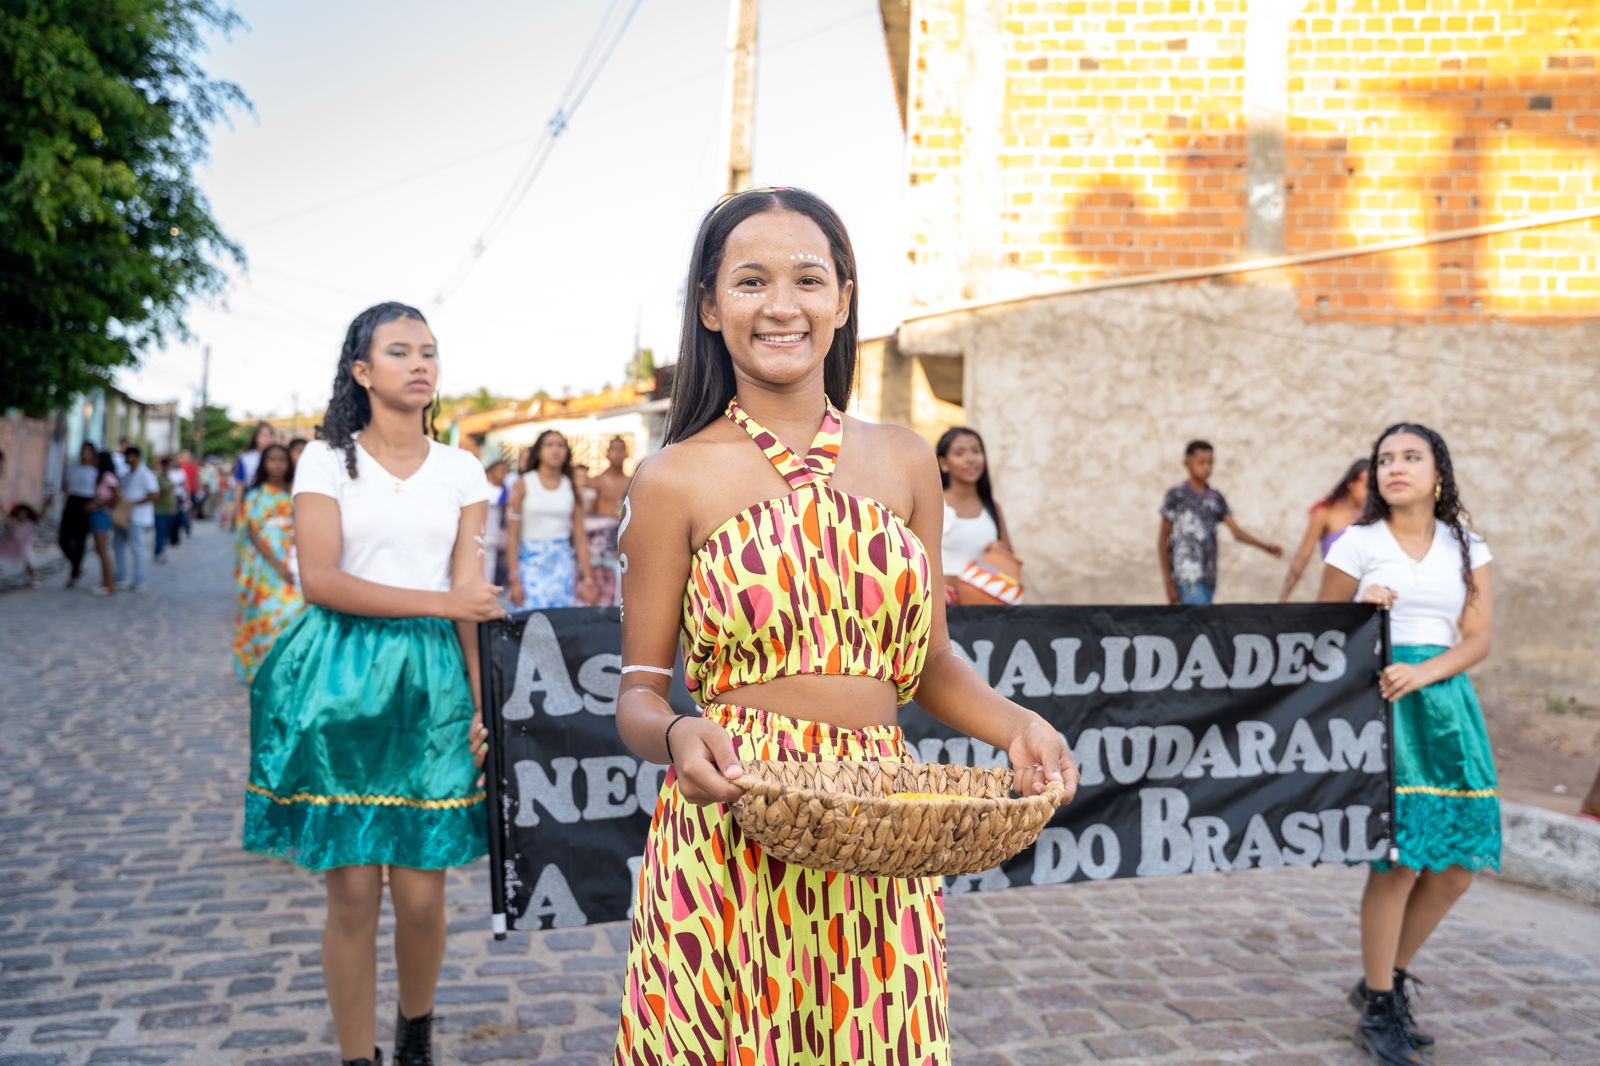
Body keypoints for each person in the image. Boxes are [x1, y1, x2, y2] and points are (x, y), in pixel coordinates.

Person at [609, 186, 1078, 1065]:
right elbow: (637, 695)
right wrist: (676, 734)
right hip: (736, 825)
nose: (781, 305)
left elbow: (933, 663)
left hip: (882, 827)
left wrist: (1019, 724)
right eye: (750, 282)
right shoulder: (671, 477)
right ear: (711, 307)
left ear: (843, 301)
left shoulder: (905, 456)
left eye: (808, 280)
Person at [243, 302, 503, 1066]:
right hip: (341, 681)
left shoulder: (463, 470)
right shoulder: (327, 460)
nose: (420, 363)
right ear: (363, 371)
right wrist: (444, 602)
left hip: (432, 687)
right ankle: (359, 1058)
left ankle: (415, 1032)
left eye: (429, 351)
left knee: (422, 894)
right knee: (353, 893)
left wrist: (486, 707)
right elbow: (321, 580)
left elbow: (471, 596)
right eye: (399, 352)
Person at [1318, 423, 1497, 1066]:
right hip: (1380, 704)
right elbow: (1320, 633)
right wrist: (1363, 609)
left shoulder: (1466, 545)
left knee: (1453, 868)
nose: (1395, 467)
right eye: (1385, 458)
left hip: (1446, 705)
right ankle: (1377, 1000)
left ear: (1438, 474)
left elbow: (1477, 638)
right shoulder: (1356, 542)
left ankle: (1385, 983)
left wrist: (1425, 670)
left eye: (1411, 457)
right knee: (1398, 859)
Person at [1158, 439, 1282, 604]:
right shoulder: (1176, 497)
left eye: (1210, 463)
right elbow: (1163, 539)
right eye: (1200, 462)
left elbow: (1236, 532)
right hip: (1186, 577)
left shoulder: (1215, 499)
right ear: (1186, 463)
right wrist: (1168, 583)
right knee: (1197, 624)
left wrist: (1265, 546)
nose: (1206, 467)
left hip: (1209, 577)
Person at [234, 443, 304, 683]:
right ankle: (266, 668)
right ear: (263, 463)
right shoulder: (255, 496)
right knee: (269, 615)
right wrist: (276, 564)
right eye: (271, 460)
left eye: (282, 460)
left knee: (295, 611)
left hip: (295, 557)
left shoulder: (297, 491)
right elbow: (252, 534)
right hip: (265, 565)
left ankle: (291, 668)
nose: (277, 465)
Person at [506, 430, 594, 608]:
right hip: (530, 563)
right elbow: (512, 536)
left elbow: (579, 536)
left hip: (561, 565)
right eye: (549, 444)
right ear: (538, 451)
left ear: (567, 452)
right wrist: (514, 580)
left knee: (559, 625)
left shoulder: (571, 486)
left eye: (560, 445)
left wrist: (588, 579)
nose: (555, 450)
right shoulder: (524, 483)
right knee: (531, 623)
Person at [937, 425, 1016, 605]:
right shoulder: (935, 504)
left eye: (976, 451)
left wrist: (998, 553)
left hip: (984, 611)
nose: (971, 459)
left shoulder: (993, 508)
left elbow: (1011, 562)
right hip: (943, 608)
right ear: (943, 463)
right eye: (960, 453)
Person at [1280, 459, 1369, 601]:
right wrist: (1284, 596)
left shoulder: (1375, 517)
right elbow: (1302, 556)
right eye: (1366, 485)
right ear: (1351, 483)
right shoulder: (1325, 513)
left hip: (1370, 596)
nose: (1370, 492)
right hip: (1338, 595)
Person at [583, 436, 631, 607]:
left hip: (622, 541)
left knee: (619, 592)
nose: (617, 454)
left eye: (621, 449)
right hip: (600, 545)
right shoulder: (596, 481)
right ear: (607, 453)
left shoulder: (631, 481)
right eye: (614, 450)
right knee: (599, 591)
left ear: (626, 453)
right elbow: (589, 513)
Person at [114, 446, 161, 591]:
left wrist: (135, 503)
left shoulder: (146, 474)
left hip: (138, 516)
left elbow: (154, 494)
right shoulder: (127, 474)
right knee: (119, 546)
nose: (127, 460)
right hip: (125, 515)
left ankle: (139, 580)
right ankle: (121, 577)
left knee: (137, 548)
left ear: (135, 457)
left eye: (129, 457)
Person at [60, 442, 101, 588]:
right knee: (63, 539)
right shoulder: (74, 466)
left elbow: (101, 490)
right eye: (83, 451)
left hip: (86, 503)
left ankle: (74, 572)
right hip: (72, 501)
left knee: (79, 540)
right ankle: (76, 566)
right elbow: (65, 485)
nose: (85, 454)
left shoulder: (96, 471)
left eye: (88, 451)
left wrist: (94, 503)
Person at [84, 450, 120, 596]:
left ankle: (109, 584)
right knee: (99, 550)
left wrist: (98, 505)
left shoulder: (108, 476)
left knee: (102, 550)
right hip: (97, 514)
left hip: (101, 514)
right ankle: (105, 582)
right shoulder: (100, 476)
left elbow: (116, 496)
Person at [482, 458, 511, 587]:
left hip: (494, 537)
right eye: (501, 470)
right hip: (479, 532)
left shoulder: (505, 490)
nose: (503, 474)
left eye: (506, 471)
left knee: (490, 568)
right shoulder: (480, 486)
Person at [0, 503, 41, 587]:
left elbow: (40, 516)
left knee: (29, 561)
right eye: (19, 513)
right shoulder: (12, 522)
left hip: (24, 546)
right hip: (9, 546)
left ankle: (33, 579)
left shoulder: (30, 524)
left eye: (24, 514)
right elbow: (5, 519)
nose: (21, 515)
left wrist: (47, 504)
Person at [152, 457, 180, 563]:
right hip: (160, 510)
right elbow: (156, 495)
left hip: (169, 509)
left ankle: (161, 550)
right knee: (160, 532)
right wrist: (167, 489)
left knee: (165, 533)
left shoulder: (169, 478)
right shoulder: (158, 478)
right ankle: (159, 552)